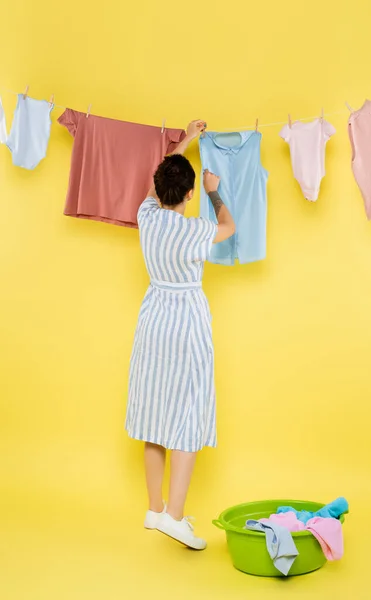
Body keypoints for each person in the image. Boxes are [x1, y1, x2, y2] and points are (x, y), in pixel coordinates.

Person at [125, 120, 235, 550]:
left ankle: (155, 509)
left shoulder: (146, 217)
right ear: (188, 194)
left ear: (159, 189)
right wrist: (213, 191)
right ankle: (174, 516)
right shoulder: (196, 231)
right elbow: (229, 227)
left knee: (154, 414)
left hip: (153, 320)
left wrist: (183, 141)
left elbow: (158, 183)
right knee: (188, 414)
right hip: (186, 322)